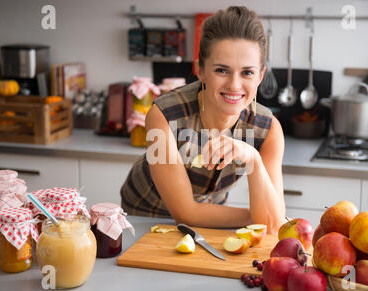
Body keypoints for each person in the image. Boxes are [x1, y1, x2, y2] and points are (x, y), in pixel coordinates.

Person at [120, 6, 286, 234]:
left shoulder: (268, 130)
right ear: (200, 70)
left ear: (260, 75)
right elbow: (185, 213)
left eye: (247, 72)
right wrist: (257, 216)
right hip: (145, 218)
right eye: (222, 70)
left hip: (212, 219)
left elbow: (274, 225)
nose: (235, 85)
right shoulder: (163, 115)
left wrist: (254, 160)